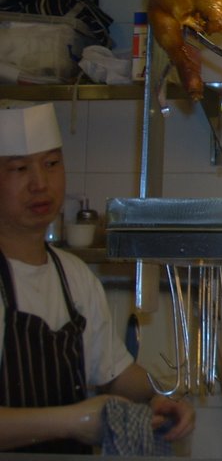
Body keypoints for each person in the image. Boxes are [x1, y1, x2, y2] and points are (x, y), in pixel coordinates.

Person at [0, 102, 195, 453]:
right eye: (19, 169)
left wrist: (159, 396)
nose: (40, 183)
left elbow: (116, 374)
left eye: (52, 164)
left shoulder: (72, 274)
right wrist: (77, 420)